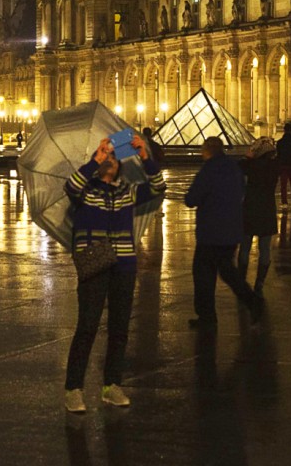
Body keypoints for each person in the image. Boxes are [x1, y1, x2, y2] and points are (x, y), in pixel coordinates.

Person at [63, 134, 166, 413]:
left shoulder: (128, 192)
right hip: (95, 264)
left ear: (120, 166)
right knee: (87, 327)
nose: (110, 160)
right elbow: (70, 186)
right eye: (106, 158)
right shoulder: (87, 190)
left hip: (123, 265)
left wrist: (145, 157)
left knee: (119, 329)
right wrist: (94, 159)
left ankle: (112, 385)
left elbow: (158, 186)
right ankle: (74, 389)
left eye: (113, 158)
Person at [184, 137, 261, 330]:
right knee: (226, 270)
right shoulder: (234, 168)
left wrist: (192, 197)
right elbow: (242, 191)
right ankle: (250, 300)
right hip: (232, 229)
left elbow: (192, 199)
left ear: (208, 150)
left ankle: (209, 316)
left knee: (203, 274)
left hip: (211, 231)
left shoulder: (209, 169)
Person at [239, 136, 278, 296]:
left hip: (250, 208)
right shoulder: (274, 167)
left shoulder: (249, 165)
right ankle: (260, 282)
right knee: (265, 248)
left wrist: (248, 157)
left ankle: (241, 280)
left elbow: (239, 167)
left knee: (245, 247)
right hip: (267, 210)